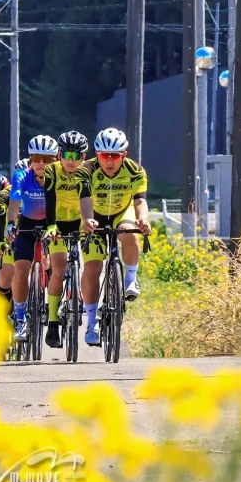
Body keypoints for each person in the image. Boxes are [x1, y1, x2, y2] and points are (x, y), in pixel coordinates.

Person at [78, 127, 152, 346]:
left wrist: (143, 220)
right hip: (95, 216)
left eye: (115, 156)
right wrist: (88, 220)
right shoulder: (86, 170)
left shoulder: (136, 170)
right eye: (103, 155)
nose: (109, 161)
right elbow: (85, 200)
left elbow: (140, 200)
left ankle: (130, 279)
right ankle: (91, 322)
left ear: (124, 155)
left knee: (129, 233)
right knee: (92, 269)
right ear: (96, 154)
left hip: (121, 211)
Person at [5, 135, 59, 342]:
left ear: (55, 160)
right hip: (27, 222)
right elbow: (14, 202)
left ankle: (59, 301)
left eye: (47, 159)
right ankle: (20, 319)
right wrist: (11, 224)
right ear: (30, 160)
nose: (42, 164)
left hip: (51, 223)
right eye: (37, 158)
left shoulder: (59, 177)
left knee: (56, 264)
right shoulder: (21, 176)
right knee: (20, 269)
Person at [41, 131, 89, 348]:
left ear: (83, 157)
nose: (71, 160)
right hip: (57, 223)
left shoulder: (87, 172)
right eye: (67, 155)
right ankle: (52, 323)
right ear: (59, 155)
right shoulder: (52, 171)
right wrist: (51, 226)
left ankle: (79, 295)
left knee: (87, 263)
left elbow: (89, 200)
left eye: (76, 156)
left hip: (79, 221)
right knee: (59, 269)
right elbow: (49, 200)